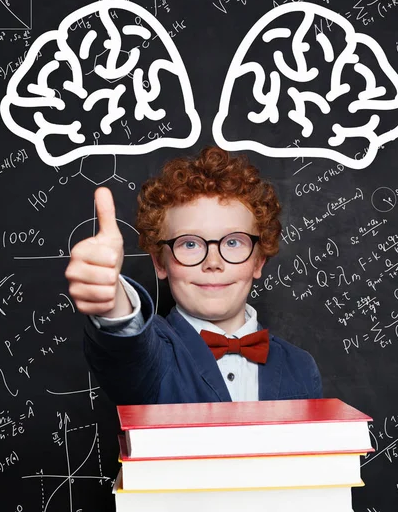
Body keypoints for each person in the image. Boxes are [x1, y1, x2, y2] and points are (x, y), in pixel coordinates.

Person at [65, 146, 322, 405]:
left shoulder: (301, 367)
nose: (213, 262)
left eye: (233, 243)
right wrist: (113, 302)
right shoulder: (154, 357)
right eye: (190, 244)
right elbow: (127, 351)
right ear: (160, 263)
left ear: (258, 261)